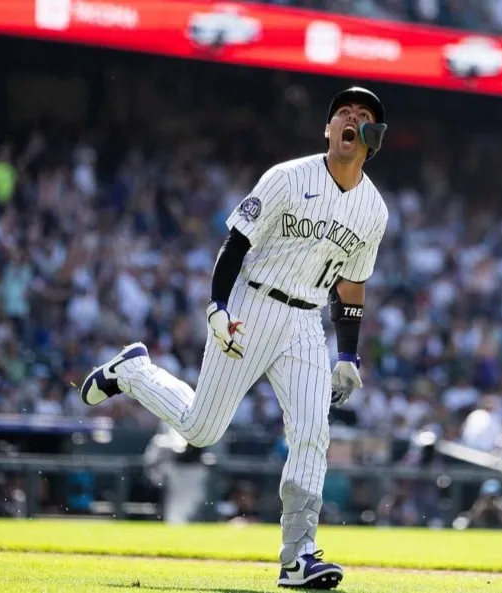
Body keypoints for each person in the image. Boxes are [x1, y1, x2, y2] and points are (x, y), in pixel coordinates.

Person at [79, 87, 389, 590]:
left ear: (374, 136)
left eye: (362, 116)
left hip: (307, 321)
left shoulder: (374, 210)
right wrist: (217, 307)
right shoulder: (288, 177)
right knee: (202, 430)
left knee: (313, 433)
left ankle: (298, 557)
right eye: (342, 114)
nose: (350, 120)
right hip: (252, 303)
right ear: (327, 129)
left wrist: (349, 354)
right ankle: (134, 372)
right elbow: (237, 241)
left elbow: (351, 285)